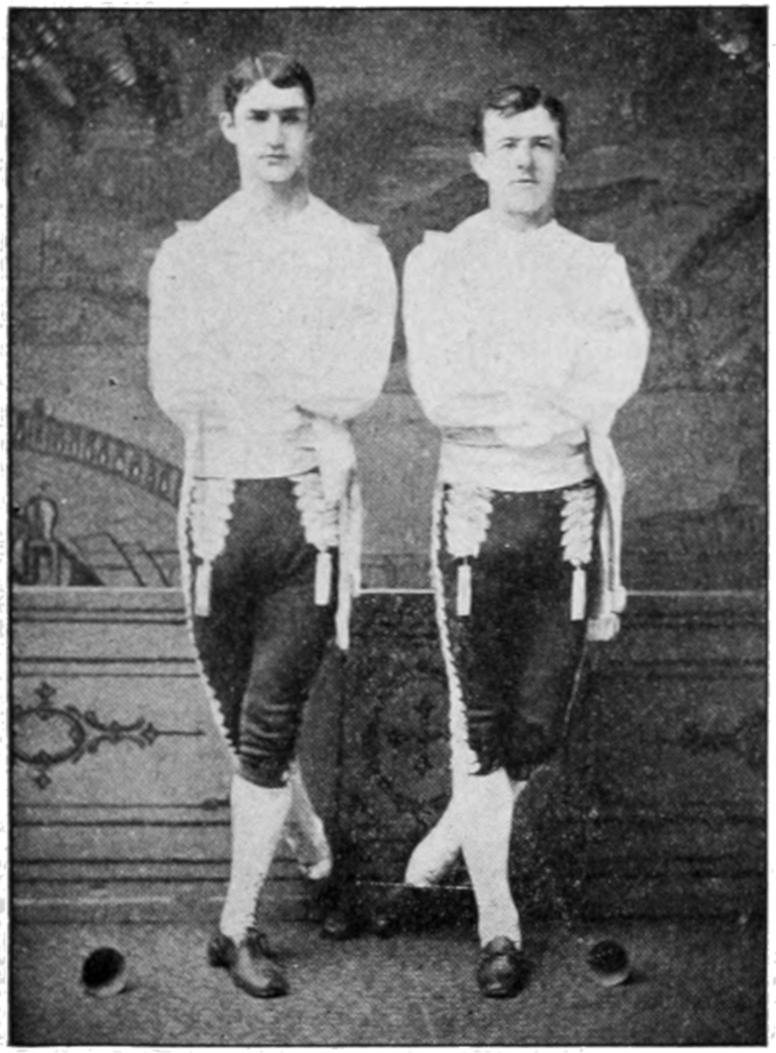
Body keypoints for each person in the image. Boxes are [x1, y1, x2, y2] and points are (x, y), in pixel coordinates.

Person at [148, 52, 396, 998]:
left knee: (267, 726)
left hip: (306, 514)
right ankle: (324, 862)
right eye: (258, 117)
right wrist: (291, 365)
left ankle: (236, 925)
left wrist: (252, 364)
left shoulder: (350, 249)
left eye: (291, 116)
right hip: (217, 512)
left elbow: (355, 381)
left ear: (312, 127)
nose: (276, 134)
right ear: (228, 127)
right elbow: (177, 388)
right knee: (245, 730)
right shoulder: (191, 252)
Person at [402, 83, 649, 998]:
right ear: (479, 158)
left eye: (542, 143)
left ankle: (448, 836)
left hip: (568, 517)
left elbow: (607, 383)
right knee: (481, 730)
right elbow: (444, 393)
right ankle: (497, 927)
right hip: (476, 512)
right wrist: (545, 392)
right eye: (508, 144)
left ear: (562, 157)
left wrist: (529, 393)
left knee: (536, 726)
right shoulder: (440, 263)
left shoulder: (596, 267)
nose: (525, 160)